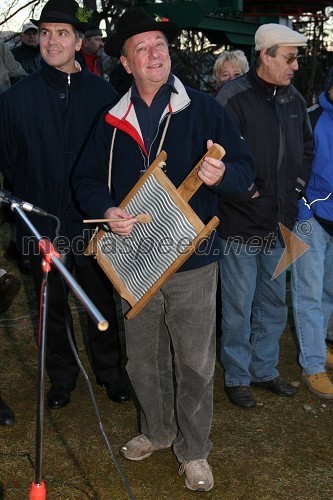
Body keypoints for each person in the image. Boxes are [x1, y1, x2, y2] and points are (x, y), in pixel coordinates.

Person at [73, 7, 255, 493]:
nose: (155, 54)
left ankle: (194, 450)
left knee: (195, 361)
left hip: (193, 261)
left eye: (160, 45)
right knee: (142, 361)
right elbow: (85, 180)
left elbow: (244, 171)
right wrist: (108, 210)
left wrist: (225, 176)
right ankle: (157, 430)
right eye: (142, 48)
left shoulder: (205, 109)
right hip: (133, 263)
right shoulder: (111, 119)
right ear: (126, 64)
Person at [0, 0, 129, 410]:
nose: (51, 41)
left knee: (100, 300)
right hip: (40, 224)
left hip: (91, 221)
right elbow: (9, 162)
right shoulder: (16, 98)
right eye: (46, 33)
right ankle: (62, 376)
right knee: (50, 302)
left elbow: (114, 158)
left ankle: (111, 373)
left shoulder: (103, 95)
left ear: (78, 42)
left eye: (62, 33)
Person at [215, 23, 313, 409]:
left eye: (297, 59)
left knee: (274, 301)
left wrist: (298, 182)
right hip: (240, 223)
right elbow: (214, 154)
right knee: (238, 304)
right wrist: (246, 191)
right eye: (289, 58)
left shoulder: (294, 100)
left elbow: (306, 145)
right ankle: (237, 376)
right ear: (265, 56)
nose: (295, 66)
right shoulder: (231, 97)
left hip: (280, 221)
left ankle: (265, 369)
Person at [291, 67, 333, 398]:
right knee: (308, 293)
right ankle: (313, 366)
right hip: (310, 220)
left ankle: (320, 345)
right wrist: (302, 209)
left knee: (329, 293)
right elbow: (292, 167)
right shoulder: (311, 118)